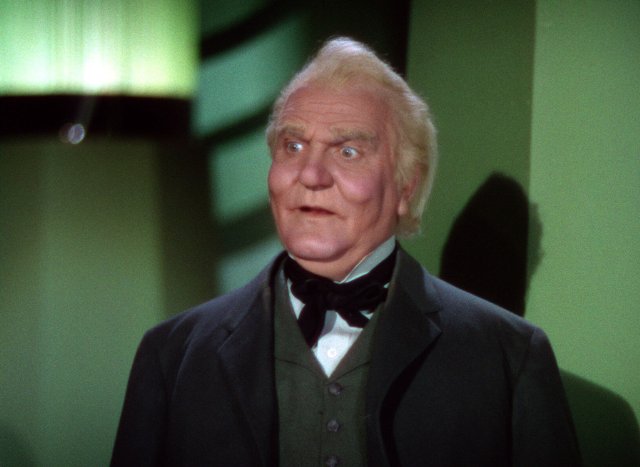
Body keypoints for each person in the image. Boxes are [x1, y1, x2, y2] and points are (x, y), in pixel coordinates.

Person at [111, 37, 580, 466]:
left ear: (405, 187)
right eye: (293, 146)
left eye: (347, 151)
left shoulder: (509, 359)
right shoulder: (171, 356)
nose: (311, 175)